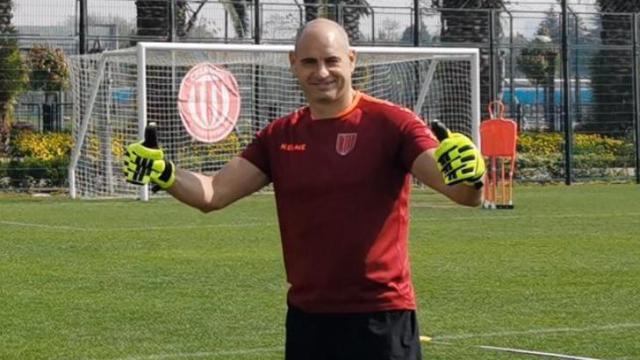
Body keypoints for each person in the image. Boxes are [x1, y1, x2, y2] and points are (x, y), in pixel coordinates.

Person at [124, 18, 485, 360]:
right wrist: (166, 173)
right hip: (308, 320)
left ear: (352, 60)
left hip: (381, 318)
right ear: (293, 64)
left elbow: (464, 195)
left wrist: (473, 177)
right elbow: (213, 192)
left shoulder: (393, 123)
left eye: (331, 60)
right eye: (310, 62)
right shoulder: (280, 136)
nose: (322, 72)